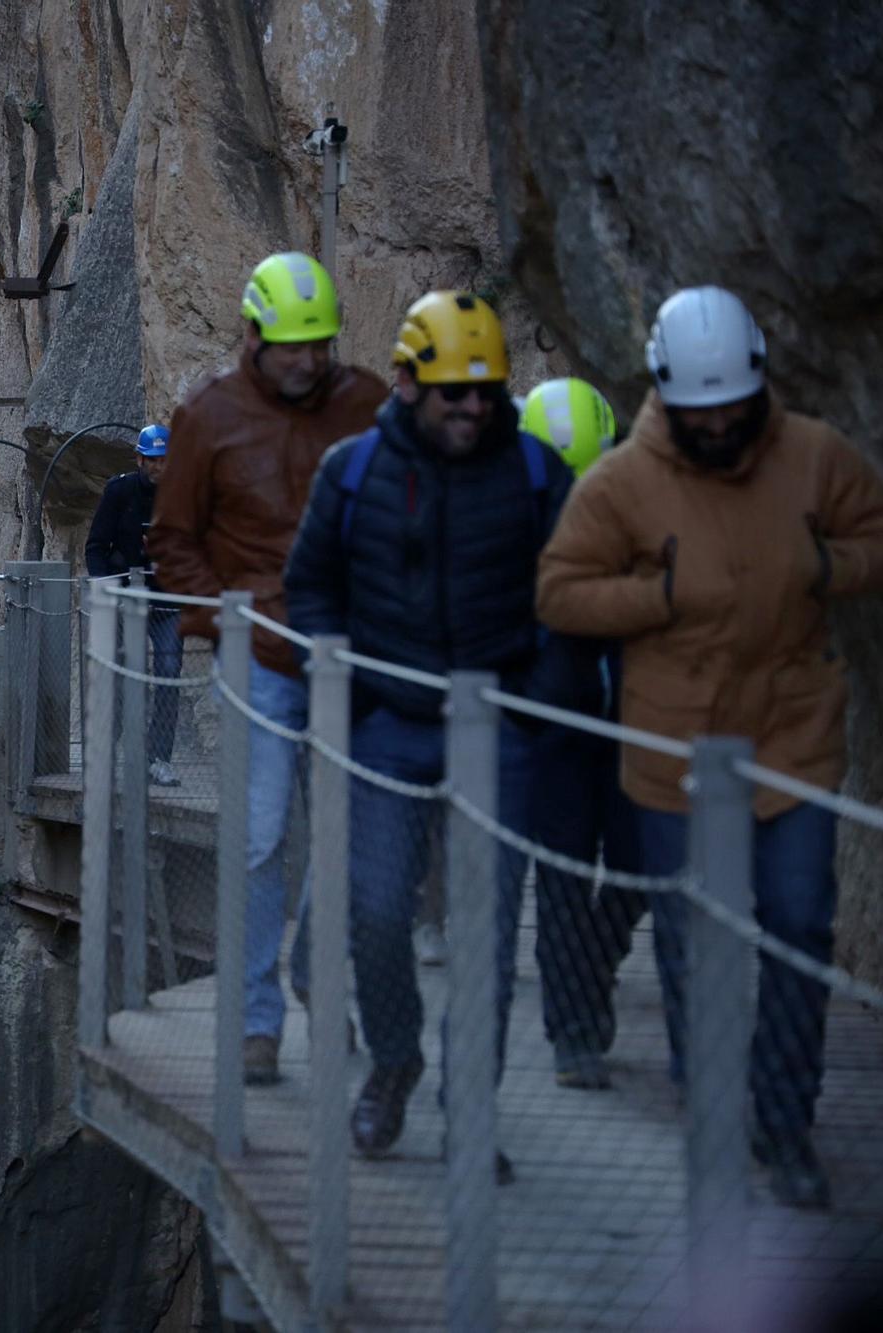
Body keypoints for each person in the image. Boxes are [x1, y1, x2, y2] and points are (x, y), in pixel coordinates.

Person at [537, 287, 883, 1209]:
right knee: (695, 944)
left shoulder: (813, 456)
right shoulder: (621, 483)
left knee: (800, 925)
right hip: (675, 747)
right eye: (703, 414)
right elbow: (562, 593)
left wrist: (827, 568)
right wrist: (657, 598)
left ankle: (785, 1118)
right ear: (666, 397)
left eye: (734, 409)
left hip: (792, 737)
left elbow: (876, 533)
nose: (722, 426)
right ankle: (713, 1111)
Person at [285, 291, 572, 1174]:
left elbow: (567, 593)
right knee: (373, 911)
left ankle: (471, 1117)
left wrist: (534, 696)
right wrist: (343, 674)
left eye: (485, 390)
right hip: (388, 727)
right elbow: (313, 585)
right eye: (454, 391)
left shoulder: (533, 472)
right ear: (409, 384)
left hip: (500, 733)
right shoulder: (353, 471)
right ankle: (396, 1057)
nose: (473, 407)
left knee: (484, 937)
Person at [148, 252, 387, 1086]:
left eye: (318, 344)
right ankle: (254, 1022)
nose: (306, 360)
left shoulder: (367, 405)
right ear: (252, 334)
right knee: (257, 836)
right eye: (290, 344)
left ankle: (324, 982)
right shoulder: (207, 418)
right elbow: (172, 537)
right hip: (262, 656)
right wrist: (223, 618)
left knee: (352, 836)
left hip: (355, 651)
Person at [518, 378, 647, 1091]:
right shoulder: (513, 517)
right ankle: (572, 1033)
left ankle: (595, 966)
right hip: (556, 725)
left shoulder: (641, 505)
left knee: (640, 864)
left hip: (632, 718)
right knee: (563, 876)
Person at [85, 424, 183, 785]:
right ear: (139, 459)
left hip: (167, 600)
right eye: (153, 460)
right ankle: (108, 754)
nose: (159, 467)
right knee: (121, 674)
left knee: (169, 674)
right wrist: (106, 590)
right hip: (125, 599)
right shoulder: (120, 491)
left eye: (165, 460)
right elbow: (96, 547)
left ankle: (160, 758)